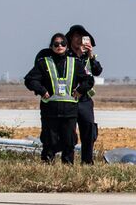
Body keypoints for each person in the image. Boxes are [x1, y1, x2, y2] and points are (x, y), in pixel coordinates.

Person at [24, 32, 93, 164]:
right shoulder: (43, 63)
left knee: (69, 141)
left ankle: (67, 167)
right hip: (50, 110)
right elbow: (29, 80)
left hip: (70, 110)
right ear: (51, 46)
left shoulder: (76, 63)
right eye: (56, 44)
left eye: (63, 44)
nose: (59, 46)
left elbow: (89, 80)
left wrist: (79, 91)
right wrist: (41, 90)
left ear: (67, 46)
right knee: (50, 140)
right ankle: (47, 164)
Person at [66, 24, 101, 164]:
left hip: (85, 99)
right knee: (69, 132)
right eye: (76, 36)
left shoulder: (88, 57)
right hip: (69, 97)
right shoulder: (66, 55)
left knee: (88, 130)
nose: (79, 39)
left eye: (82, 37)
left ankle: (87, 161)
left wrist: (90, 55)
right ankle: (68, 161)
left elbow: (97, 71)